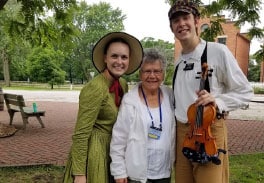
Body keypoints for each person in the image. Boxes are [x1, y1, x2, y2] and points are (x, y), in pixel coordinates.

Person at [168, 1, 254, 183]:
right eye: (176, 20)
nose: (181, 23)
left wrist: (218, 101)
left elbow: (245, 91)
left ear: (197, 21)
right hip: (183, 134)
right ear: (171, 28)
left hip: (209, 130)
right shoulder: (177, 62)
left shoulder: (218, 51)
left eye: (186, 18)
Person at [63, 32, 143, 183]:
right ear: (105, 58)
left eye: (124, 57)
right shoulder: (95, 88)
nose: (119, 61)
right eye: (114, 56)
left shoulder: (123, 84)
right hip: (96, 153)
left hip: (113, 150)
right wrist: (79, 173)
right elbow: (80, 133)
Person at [110, 49, 176, 183]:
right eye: (147, 71)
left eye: (157, 71)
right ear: (140, 74)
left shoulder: (169, 95)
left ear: (163, 75)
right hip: (137, 175)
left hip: (164, 173)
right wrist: (119, 171)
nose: (152, 76)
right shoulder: (130, 100)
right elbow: (119, 138)